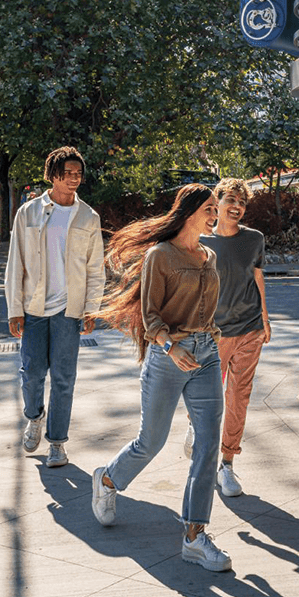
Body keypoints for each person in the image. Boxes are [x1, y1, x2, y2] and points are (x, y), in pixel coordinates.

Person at [90, 184, 232, 572]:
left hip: (206, 355)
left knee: (208, 444)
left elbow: (206, 310)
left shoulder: (209, 256)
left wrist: (211, 340)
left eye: (215, 209)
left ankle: (194, 536)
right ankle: (107, 481)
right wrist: (172, 347)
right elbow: (150, 316)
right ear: (189, 212)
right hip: (168, 356)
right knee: (150, 441)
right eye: (209, 208)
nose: (215, 215)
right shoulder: (161, 256)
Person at [6, 147, 105, 468]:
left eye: (78, 173)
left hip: (69, 310)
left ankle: (57, 443)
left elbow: (95, 268)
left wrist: (91, 308)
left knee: (64, 379)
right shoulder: (29, 213)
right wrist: (14, 308)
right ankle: (34, 417)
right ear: (53, 175)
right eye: (68, 173)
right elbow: (16, 263)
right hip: (34, 308)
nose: (74, 178)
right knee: (32, 374)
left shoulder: (88, 217)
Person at [184, 177, 270, 498]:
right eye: (231, 200)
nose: (237, 207)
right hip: (214, 334)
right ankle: (194, 424)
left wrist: (265, 319)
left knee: (239, 397)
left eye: (242, 202)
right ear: (217, 203)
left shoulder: (254, 239)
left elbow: (257, 276)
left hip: (250, 330)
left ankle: (227, 464)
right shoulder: (199, 240)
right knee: (209, 396)